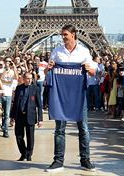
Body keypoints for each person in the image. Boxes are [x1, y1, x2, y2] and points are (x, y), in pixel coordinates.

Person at [45, 24, 97, 172]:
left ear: (73, 35)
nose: (63, 37)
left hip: (78, 95)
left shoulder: (84, 52)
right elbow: (47, 70)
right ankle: (58, 160)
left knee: (83, 128)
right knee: (59, 129)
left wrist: (89, 69)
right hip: (61, 95)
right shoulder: (57, 51)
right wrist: (49, 67)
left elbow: (94, 72)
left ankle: (85, 159)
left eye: (65, 34)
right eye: (62, 34)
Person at [10, 72, 43, 161]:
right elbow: (15, 103)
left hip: (30, 115)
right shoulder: (19, 88)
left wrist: (40, 119)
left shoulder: (35, 89)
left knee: (30, 137)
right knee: (19, 136)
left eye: (31, 78)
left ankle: (29, 154)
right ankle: (23, 153)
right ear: (24, 79)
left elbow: (39, 105)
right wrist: (12, 116)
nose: (29, 80)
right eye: (27, 78)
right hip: (20, 115)